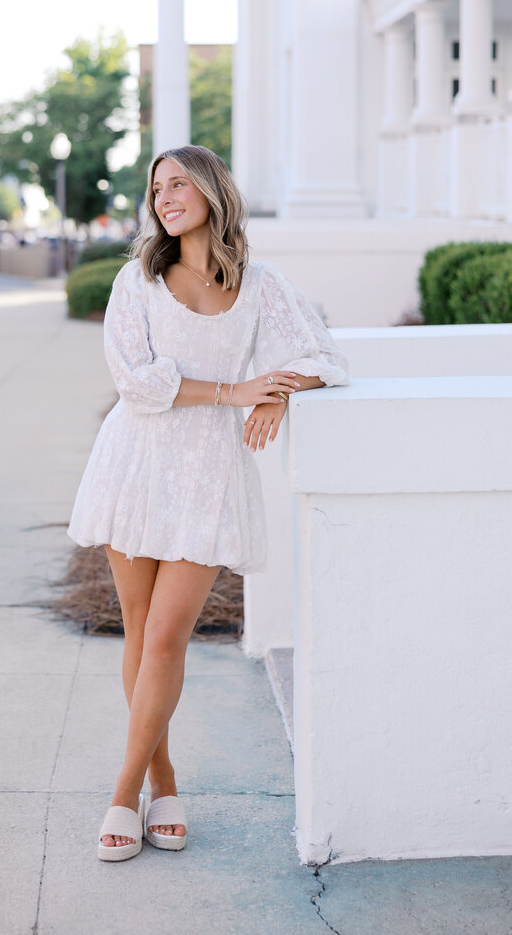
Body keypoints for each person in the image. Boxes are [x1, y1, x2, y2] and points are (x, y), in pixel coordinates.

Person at [67, 145, 349, 862]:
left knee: (166, 638)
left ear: (213, 191)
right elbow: (137, 383)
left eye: (179, 182)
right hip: (136, 461)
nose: (165, 196)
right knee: (138, 631)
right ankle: (163, 780)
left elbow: (323, 358)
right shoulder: (139, 279)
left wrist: (281, 390)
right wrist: (234, 392)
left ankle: (121, 791)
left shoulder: (261, 284)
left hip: (207, 472)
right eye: (156, 187)